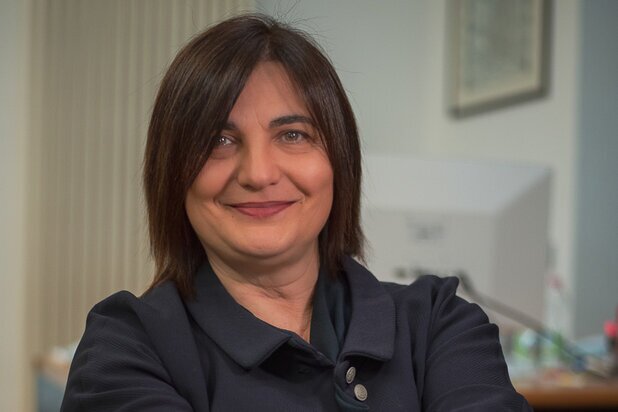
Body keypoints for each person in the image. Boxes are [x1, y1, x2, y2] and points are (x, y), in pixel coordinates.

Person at [61, 14, 531, 411]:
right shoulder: (126, 350)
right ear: (173, 173)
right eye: (219, 140)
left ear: (339, 161)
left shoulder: (437, 324)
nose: (259, 173)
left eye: (293, 135)